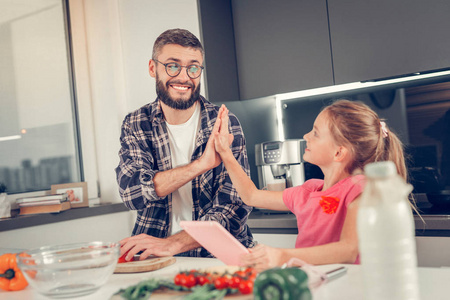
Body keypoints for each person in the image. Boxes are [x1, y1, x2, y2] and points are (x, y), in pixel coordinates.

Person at [213, 99, 408, 271]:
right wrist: (225, 152)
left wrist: (281, 256)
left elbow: (348, 250)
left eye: (315, 133)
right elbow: (252, 196)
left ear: (338, 153)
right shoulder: (308, 191)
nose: (306, 136)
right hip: (310, 283)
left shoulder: (361, 188)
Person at [115, 28, 254, 260]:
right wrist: (200, 165)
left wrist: (172, 244)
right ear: (153, 68)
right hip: (153, 256)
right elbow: (132, 192)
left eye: (193, 67)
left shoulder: (223, 124)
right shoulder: (137, 123)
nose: (184, 77)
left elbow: (234, 206)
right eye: (172, 65)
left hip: (217, 256)